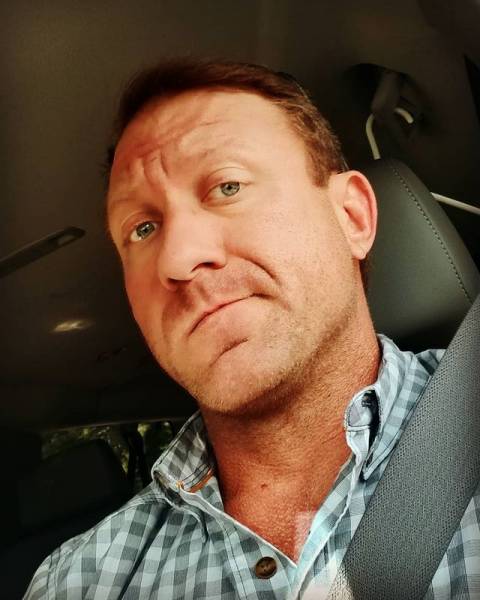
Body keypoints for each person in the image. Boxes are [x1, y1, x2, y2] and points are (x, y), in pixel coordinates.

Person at [25, 59, 478, 600]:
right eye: (142, 229)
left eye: (227, 186)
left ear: (352, 217)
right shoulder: (77, 582)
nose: (178, 259)